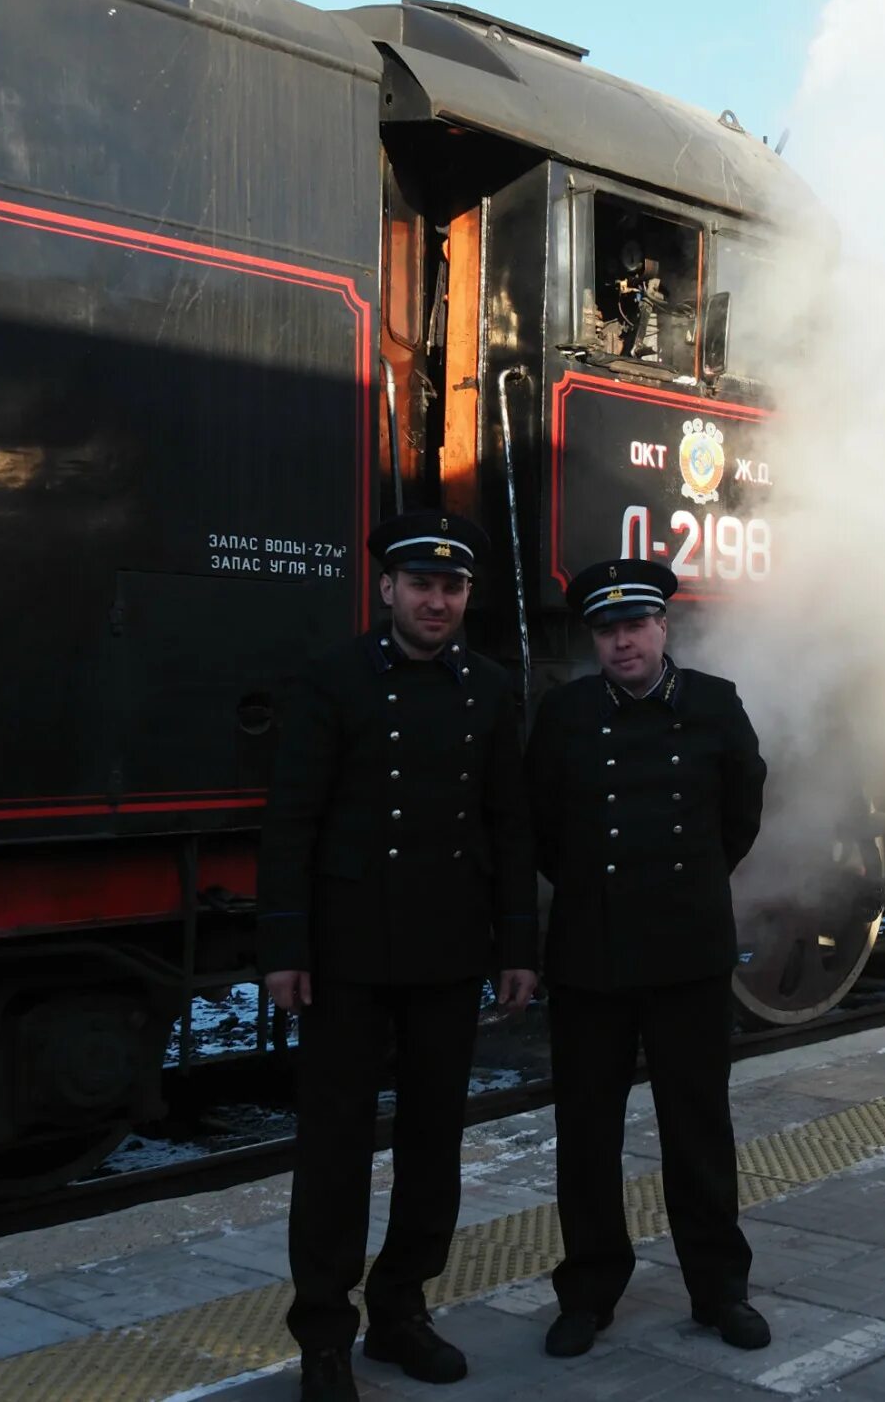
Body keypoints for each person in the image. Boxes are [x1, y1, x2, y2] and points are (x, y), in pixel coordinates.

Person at [257, 511, 539, 1402]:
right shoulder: (331, 680)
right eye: (421, 584)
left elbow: (509, 825)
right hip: (344, 954)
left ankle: (402, 1310)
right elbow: (290, 822)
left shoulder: (491, 690)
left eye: (452, 587)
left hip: (448, 951)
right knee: (334, 1151)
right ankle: (323, 1336)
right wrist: (284, 947)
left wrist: (516, 946)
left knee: (433, 1147)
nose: (437, 600)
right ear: (387, 590)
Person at [527, 558, 770, 1358]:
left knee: (697, 1127)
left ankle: (719, 1289)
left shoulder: (713, 704)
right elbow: (546, 832)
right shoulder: (563, 716)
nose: (622, 642)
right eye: (607, 630)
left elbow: (740, 814)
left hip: (687, 950)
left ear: (665, 628)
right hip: (590, 955)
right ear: (594, 638)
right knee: (586, 1133)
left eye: (636, 626)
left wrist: (690, 885)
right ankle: (588, 1292)